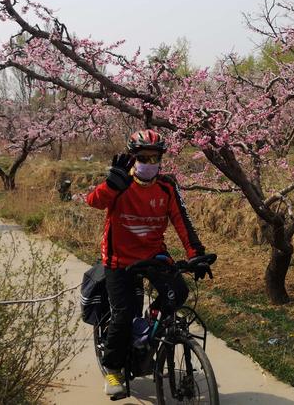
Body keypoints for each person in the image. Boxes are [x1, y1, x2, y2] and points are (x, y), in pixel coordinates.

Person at [85, 128, 212, 397]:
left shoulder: (166, 186)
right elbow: (93, 202)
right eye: (144, 157)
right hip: (119, 261)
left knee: (178, 292)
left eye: (155, 158)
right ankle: (113, 369)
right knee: (122, 314)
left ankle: (147, 332)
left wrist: (195, 254)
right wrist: (111, 184)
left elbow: (182, 221)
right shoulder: (121, 184)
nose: (150, 163)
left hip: (154, 256)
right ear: (133, 158)